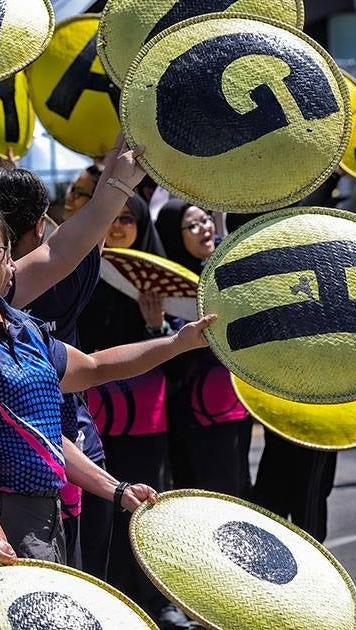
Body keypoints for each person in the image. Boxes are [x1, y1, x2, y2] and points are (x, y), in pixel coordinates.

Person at [0, 197, 216, 575]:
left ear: (9, 257)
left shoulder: (24, 328)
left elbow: (92, 372)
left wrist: (178, 343)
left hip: (48, 515)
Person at [0, 167, 108, 576]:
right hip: (78, 452)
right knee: (88, 586)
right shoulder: (71, 271)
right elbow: (100, 214)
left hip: (2, 476)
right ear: (39, 226)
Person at [76, 195, 198, 629]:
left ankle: (158, 600)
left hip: (147, 421)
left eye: (128, 218)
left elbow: (181, 367)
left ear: (142, 224)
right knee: (101, 513)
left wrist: (155, 326)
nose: (119, 225)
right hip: (95, 423)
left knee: (147, 508)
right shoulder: (83, 276)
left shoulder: (162, 282)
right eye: (113, 217)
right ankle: (113, 599)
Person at [155, 200, 252, 498]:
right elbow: (171, 358)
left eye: (206, 219)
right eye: (192, 225)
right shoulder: (162, 285)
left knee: (237, 490)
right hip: (192, 412)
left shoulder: (224, 271)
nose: (205, 228)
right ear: (175, 235)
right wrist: (156, 326)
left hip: (234, 404)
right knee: (207, 493)